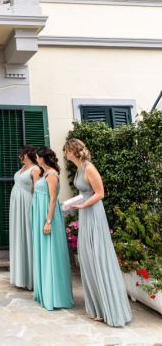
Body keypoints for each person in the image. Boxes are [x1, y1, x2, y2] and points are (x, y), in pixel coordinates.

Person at [64, 138, 132, 327]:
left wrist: (83, 205)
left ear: (73, 150)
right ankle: (98, 307)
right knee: (87, 258)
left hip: (94, 214)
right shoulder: (79, 168)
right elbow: (84, 192)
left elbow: (100, 193)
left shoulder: (89, 167)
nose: (65, 153)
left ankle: (109, 308)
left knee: (98, 257)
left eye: (66, 150)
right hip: (85, 213)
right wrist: (72, 204)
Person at [32, 147, 74, 310]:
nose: (36, 159)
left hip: (48, 216)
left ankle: (54, 295)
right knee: (43, 252)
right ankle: (45, 291)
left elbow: (53, 199)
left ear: (43, 158)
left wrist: (48, 221)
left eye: (37, 157)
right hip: (40, 215)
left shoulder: (52, 175)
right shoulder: (44, 173)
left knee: (50, 253)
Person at [9, 145, 41, 290]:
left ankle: (30, 277)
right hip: (17, 207)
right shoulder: (22, 169)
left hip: (26, 204)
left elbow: (37, 189)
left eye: (20, 154)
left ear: (26, 155)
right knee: (18, 236)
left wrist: (36, 207)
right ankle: (20, 276)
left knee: (27, 235)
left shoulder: (35, 169)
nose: (19, 156)